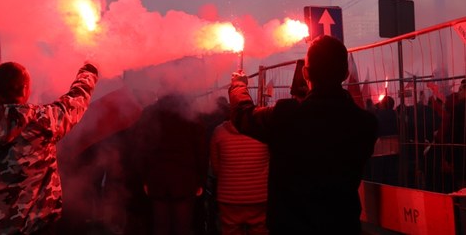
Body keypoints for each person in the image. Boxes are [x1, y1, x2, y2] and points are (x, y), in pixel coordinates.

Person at [229, 35, 378, 235]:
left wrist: (239, 86)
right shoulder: (365, 124)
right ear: (345, 73)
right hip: (342, 226)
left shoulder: (287, 116)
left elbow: (243, 116)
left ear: (305, 72)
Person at [0, 61, 99, 234]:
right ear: (24, 89)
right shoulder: (43, 122)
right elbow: (76, 100)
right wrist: (89, 71)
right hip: (39, 230)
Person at [135, 92, 208, 235]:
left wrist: (145, 178)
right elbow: (201, 150)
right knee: (182, 228)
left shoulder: (150, 113)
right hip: (185, 180)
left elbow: (142, 148)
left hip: (158, 179)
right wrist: (201, 180)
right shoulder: (191, 114)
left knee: (160, 227)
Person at [210, 108, 269, 235]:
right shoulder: (264, 131)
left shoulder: (219, 132)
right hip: (259, 195)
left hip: (229, 197)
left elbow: (215, 168)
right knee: (260, 230)